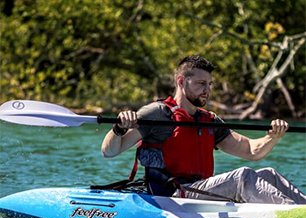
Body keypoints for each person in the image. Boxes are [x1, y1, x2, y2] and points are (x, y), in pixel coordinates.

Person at [102, 55, 306, 204]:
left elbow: (251, 151)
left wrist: (273, 137)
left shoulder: (208, 120)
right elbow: (109, 151)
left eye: (209, 84)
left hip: (199, 191)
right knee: (243, 177)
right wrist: (118, 128)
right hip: (173, 195)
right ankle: (293, 214)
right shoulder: (157, 114)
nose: (207, 90)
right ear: (181, 81)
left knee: (268, 174)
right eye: (201, 83)